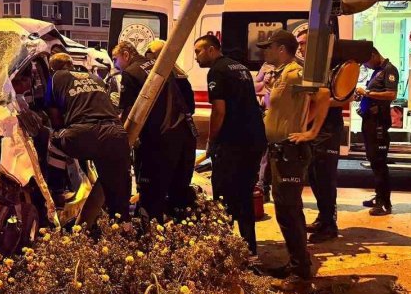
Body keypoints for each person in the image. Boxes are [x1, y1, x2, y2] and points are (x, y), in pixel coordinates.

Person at [257, 30, 330, 290]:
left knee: (289, 211)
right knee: (286, 209)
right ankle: (296, 263)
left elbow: (323, 95)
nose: (264, 52)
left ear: (281, 49)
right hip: (280, 150)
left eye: (268, 47)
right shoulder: (281, 73)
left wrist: (310, 131)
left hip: (290, 152)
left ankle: (300, 272)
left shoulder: (294, 73)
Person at [193, 34, 266, 259]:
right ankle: (249, 250)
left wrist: (211, 141)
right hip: (254, 139)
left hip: (234, 142)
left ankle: (224, 250)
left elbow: (219, 110)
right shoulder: (240, 67)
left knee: (222, 196)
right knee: (244, 195)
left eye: (199, 51)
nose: (196, 57)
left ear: (213, 49)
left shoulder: (217, 71)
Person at [113, 40, 196, 222]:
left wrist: (121, 142)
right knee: (178, 197)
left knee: (151, 200)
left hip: (158, 143)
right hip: (184, 138)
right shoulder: (164, 66)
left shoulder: (130, 73)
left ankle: (152, 242)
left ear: (126, 55)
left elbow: (128, 114)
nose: (115, 65)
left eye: (115, 59)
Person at [45, 53, 131, 219]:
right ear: (71, 65)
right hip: (115, 134)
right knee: (117, 186)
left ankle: (57, 195)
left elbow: (55, 118)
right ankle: (122, 224)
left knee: (54, 139)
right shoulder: (95, 78)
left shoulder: (55, 78)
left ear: (52, 68)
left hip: (83, 134)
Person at [297, 29, 349, 243]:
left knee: (326, 179)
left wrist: (320, 101)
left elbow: (346, 97)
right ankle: (323, 218)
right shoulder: (311, 69)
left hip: (328, 130)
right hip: (315, 130)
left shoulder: (335, 66)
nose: (300, 47)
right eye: (299, 44)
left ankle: (330, 225)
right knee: (316, 176)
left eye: (304, 43)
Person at [357, 47, 399, 216]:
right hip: (370, 121)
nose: (366, 66)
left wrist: (367, 92)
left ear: (373, 55)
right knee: (374, 161)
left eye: (366, 62)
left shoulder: (389, 70)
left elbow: (391, 94)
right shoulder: (378, 71)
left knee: (379, 163)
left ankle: (384, 203)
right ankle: (379, 196)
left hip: (379, 123)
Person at [253, 61, 277, 204]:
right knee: (263, 154)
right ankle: (262, 188)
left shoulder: (289, 67)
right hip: (265, 113)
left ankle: (266, 187)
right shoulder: (267, 66)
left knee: (270, 156)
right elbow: (254, 86)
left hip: (277, 115)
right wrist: (264, 83)